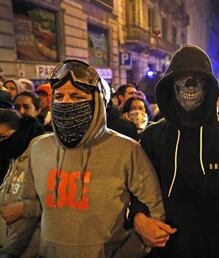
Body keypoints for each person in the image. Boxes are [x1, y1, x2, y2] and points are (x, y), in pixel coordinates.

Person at [19, 59, 166, 258]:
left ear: (96, 101)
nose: (66, 103)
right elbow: (29, 213)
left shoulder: (126, 150)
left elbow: (154, 211)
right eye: (59, 96)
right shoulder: (38, 148)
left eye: (76, 96)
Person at [129, 45, 219, 258]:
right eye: (181, 79)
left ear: (209, 87)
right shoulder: (151, 138)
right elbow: (134, 192)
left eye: (197, 80)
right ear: (170, 87)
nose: (189, 87)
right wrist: (139, 219)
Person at [0, 109, 44, 257]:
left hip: (28, 249)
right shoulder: (15, 157)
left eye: (3, 137)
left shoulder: (36, 156)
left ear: (19, 132)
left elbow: (49, 205)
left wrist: (8, 253)